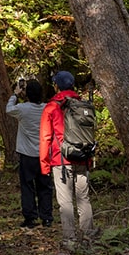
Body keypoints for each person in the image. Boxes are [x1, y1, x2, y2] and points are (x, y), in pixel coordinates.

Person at [39, 71, 94, 246]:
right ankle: (88, 236)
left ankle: (69, 240)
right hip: (83, 157)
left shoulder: (52, 107)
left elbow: (45, 137)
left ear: (56, 85)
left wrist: (44, 165)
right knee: (84, 199)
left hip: (60, 160)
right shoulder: (83, 105)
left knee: (65, 202)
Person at [6, 78, 53, 228]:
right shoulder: (47, 109)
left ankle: (30, 217)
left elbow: (8, 109)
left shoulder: (22, 109)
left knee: (27, 186)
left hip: (27, 154)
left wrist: (15, 94)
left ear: (27, 94)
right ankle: (46, 217)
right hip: (44, 154)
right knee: (45, 186)